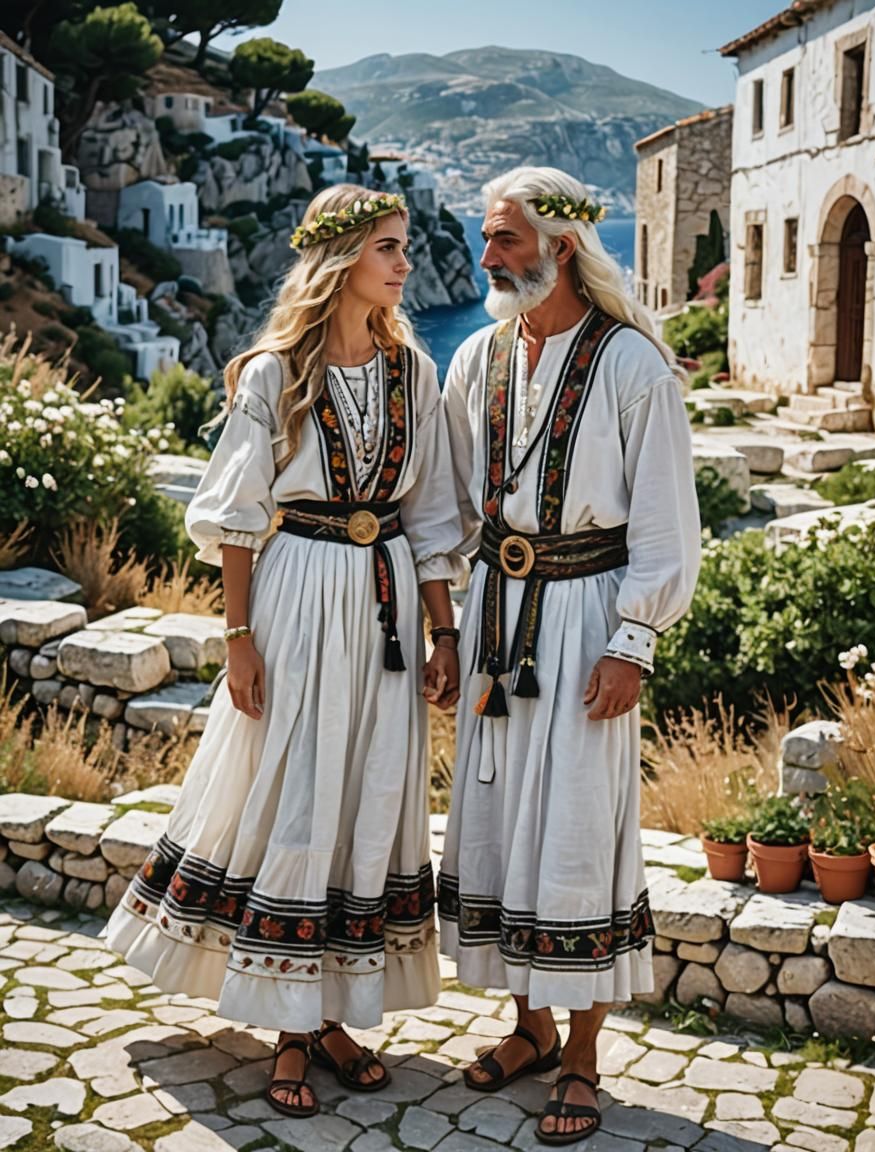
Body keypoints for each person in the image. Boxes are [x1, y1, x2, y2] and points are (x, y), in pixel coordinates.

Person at [105, 185, 464, 1119]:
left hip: (386, 603)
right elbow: (236, 516)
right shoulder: (274, 373)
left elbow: (430, 517)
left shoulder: (413, 374)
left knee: (366, 794)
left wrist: (445, 631)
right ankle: (292, 1029)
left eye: (405, 248)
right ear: (341, 260)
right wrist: (238, 638)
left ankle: (327, 1015)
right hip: (297, 593)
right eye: (388, 248)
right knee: (298, 791)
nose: (405, 265)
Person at [438, 166, 701, 1146]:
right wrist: (443, 623)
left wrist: (633, 641)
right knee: (503, 820)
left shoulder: (632, 364)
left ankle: (583, 1055)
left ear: (561, 245)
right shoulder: (477, 358)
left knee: (580, 830)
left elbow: (667, 523)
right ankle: (530, 1029)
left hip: (589, 617)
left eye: (504, 238)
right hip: (495, 618)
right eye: (486, 236)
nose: (487, 255)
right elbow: (450, 503)